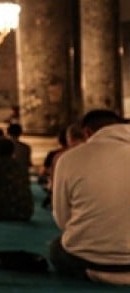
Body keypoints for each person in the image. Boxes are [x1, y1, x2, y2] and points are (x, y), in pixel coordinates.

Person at [49, 110, 130, 280]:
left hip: (87, 261)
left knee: (56, 247)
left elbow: (62, 219)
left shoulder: (68, 159)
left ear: (86, 132)